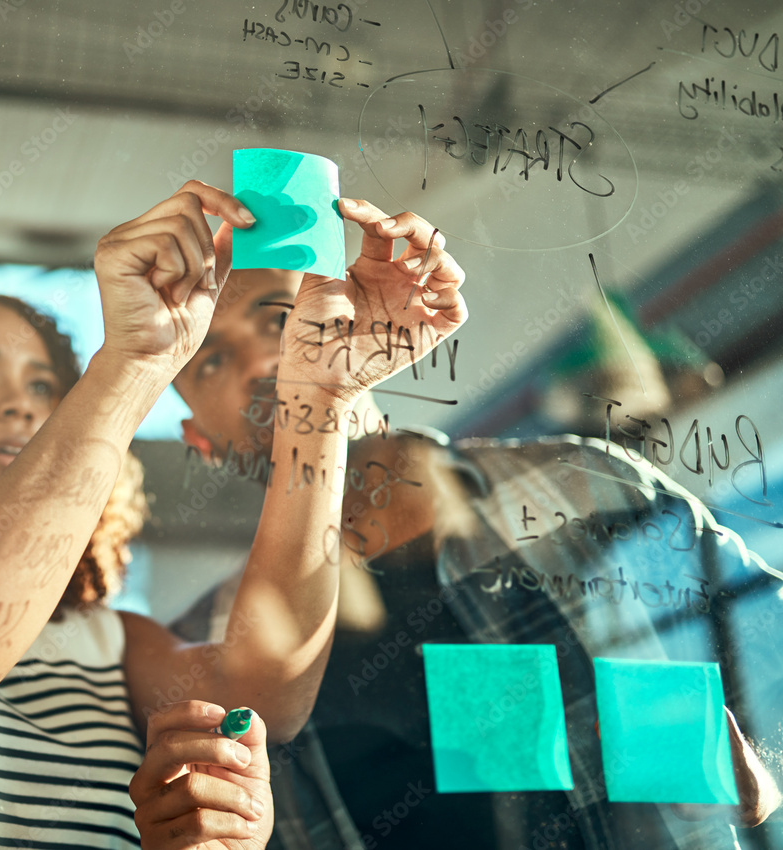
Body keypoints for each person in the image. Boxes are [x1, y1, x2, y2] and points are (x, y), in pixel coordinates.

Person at [0, 183, 467, 848]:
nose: (21, 407)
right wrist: (133, 362)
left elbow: (267, 693)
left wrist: (319, 398)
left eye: (42, 386)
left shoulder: (112, 642)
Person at [171, 255, 783, 850]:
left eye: (280, 321)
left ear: (356, 334)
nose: (258, 362)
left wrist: (760, 773)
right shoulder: (198, 663)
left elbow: (771, 646)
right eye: (212, 359)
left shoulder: (588, 487)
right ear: (198, 441)